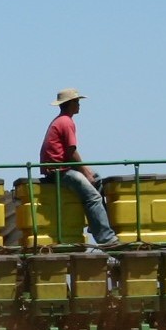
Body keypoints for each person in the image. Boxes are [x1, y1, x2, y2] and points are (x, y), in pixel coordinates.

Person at [40, 88, 121, 247]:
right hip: (59, 171)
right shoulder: (66, 122)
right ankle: (107, 239)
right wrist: (84, 171)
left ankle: (96, 224)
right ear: (70, 104)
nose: (79, 105)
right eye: (77, 102)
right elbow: (71, 151)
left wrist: (89, 172)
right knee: (93, 197)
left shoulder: (60, 120)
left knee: (97, 179)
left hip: (59, 168)